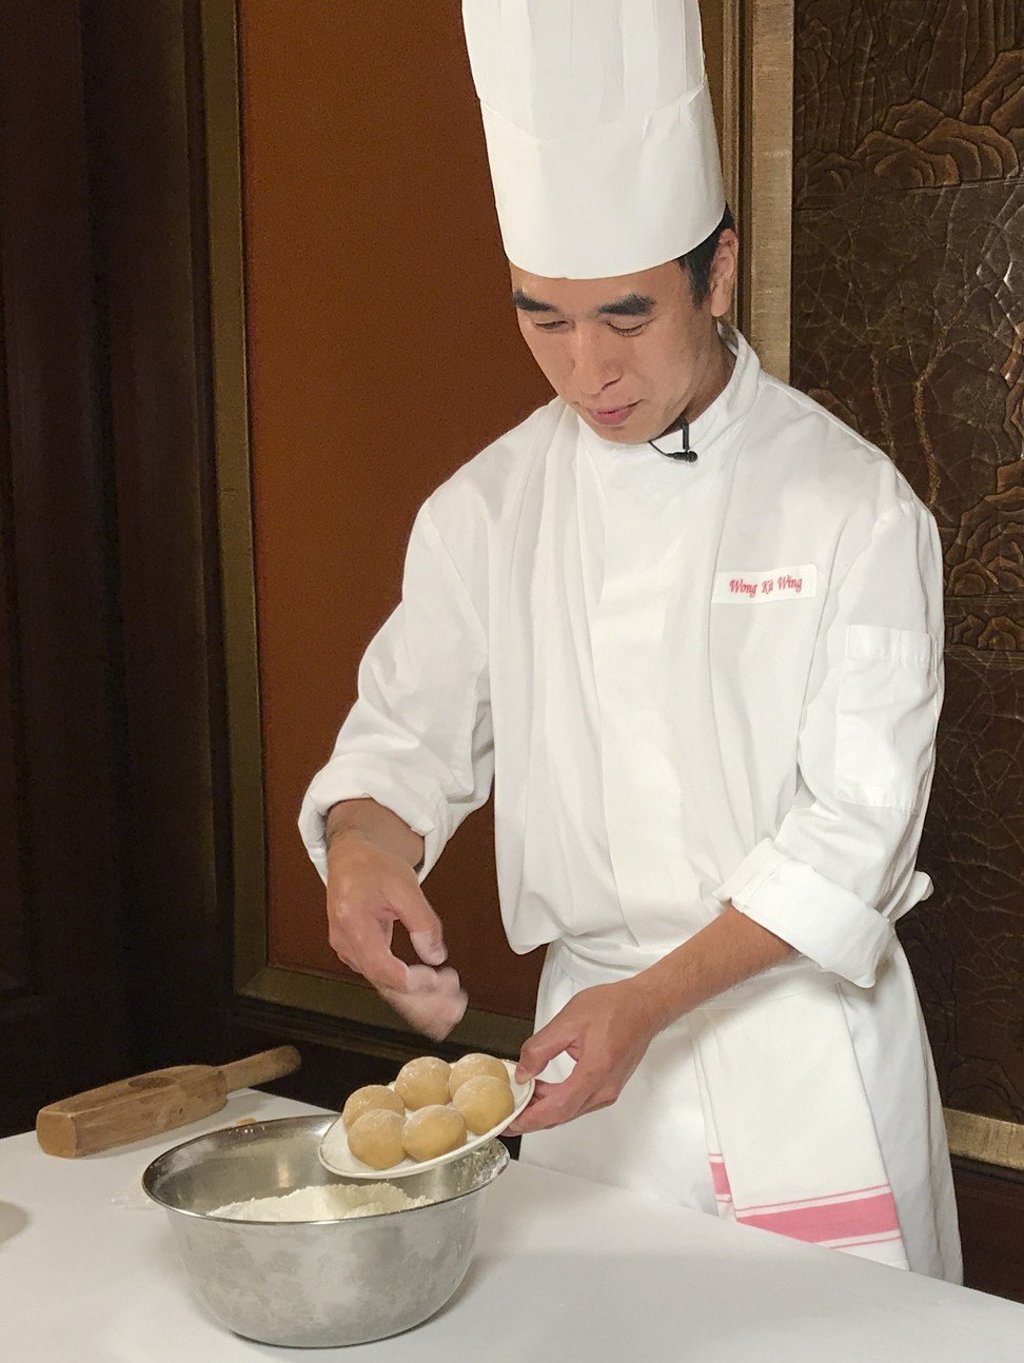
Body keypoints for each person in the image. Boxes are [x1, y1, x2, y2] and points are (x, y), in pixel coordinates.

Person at [299, 0, 961, 1280]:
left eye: (624, 315)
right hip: (591, 1086)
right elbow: (403, 741)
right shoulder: (484, 509)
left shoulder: (853, 505)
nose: (586, 369)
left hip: (800, 1056)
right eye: (541, 319)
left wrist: (652, 1001)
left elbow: (856, 830)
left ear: (715, 273)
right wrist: (362, 856)